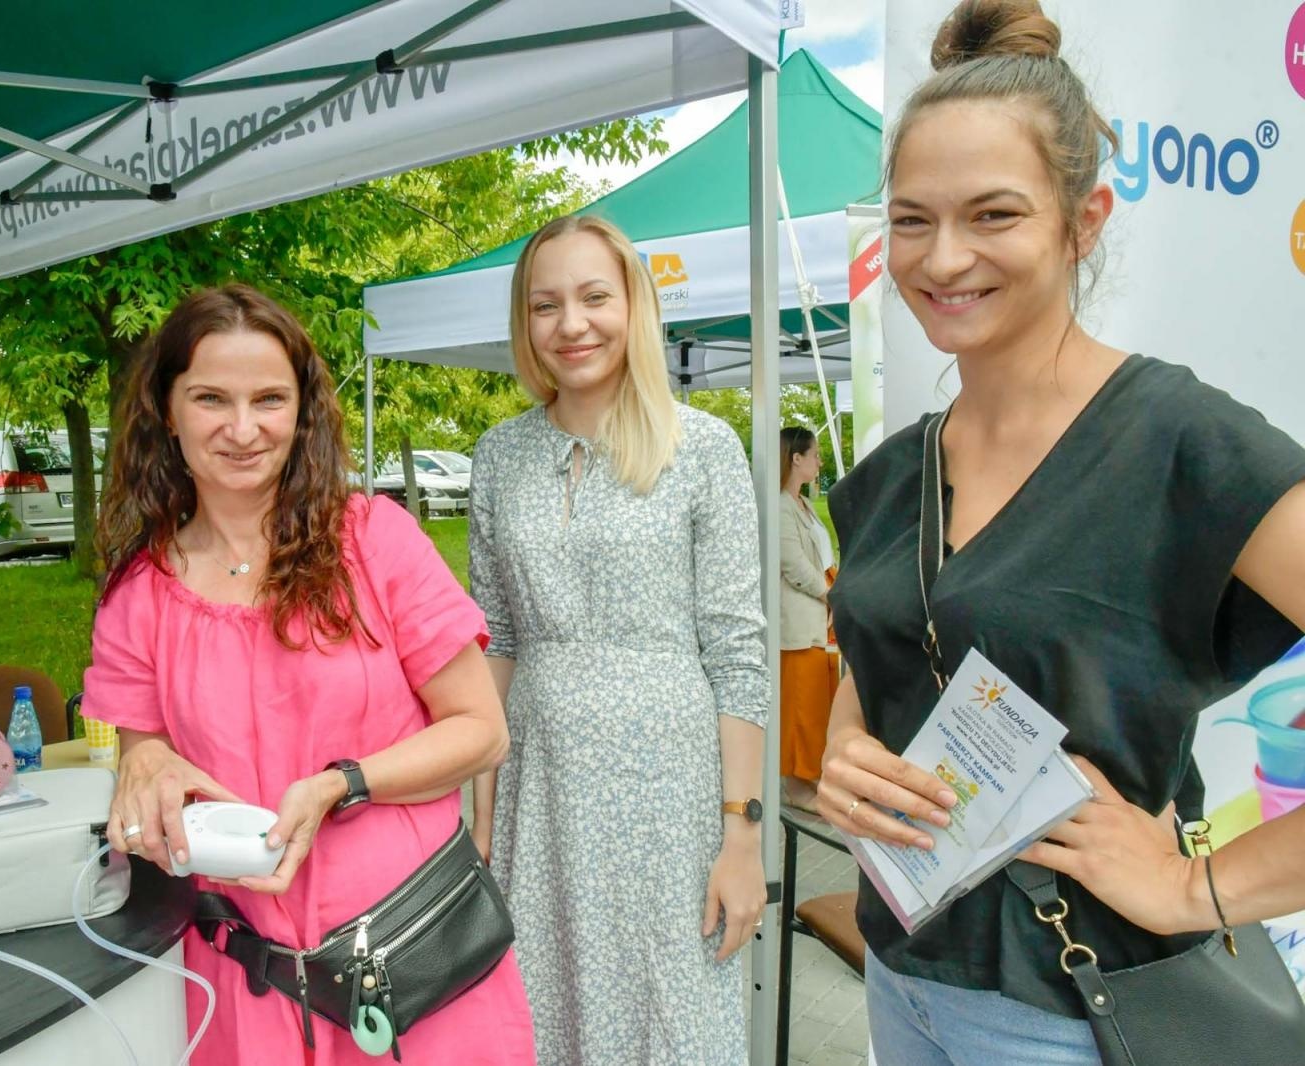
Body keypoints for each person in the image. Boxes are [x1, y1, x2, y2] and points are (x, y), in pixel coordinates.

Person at [819, 2, 1305, 1063]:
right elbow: (883, 655)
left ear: (1083, 220)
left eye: (993, 214)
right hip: (901, 975)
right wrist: (848, 746)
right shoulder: (894, 473)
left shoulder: (1177, 442)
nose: (942, 258)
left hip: (1078, 1009)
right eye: (911, 219)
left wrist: (1196, 884)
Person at [83, 284, 536, 1066]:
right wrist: (145, 767)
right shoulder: (138, 593)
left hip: (409, 965)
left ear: (302, 411)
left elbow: (480, 731)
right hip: (242, 984)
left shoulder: (375, 541)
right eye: (210, 399)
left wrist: (340, 784)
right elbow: (141, 752)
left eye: (269, 399)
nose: (242, 428)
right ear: (166, 409)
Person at [467, 214, 769, 1066]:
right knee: (543, 1010)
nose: (572, 324)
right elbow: (495, 638)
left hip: (671, 796)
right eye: (545, 304)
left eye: (595, 296)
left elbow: (738, 655)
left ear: (633, 304)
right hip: (540, 784)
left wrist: (741, 838)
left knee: (672, 1015)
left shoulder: (702, 446)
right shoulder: (498, 455)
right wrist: (481, 815)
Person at [778, 426, 838, 813]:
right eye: (814, 455)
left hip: (821, 617)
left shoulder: (800, 503)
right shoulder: (779, 504)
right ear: (796, 458)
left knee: (818, 704)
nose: (819, 462)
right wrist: (827, 592)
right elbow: (792, 563)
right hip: (802, 621)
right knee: (801, 706)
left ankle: (811, 776)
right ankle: (797, 786)